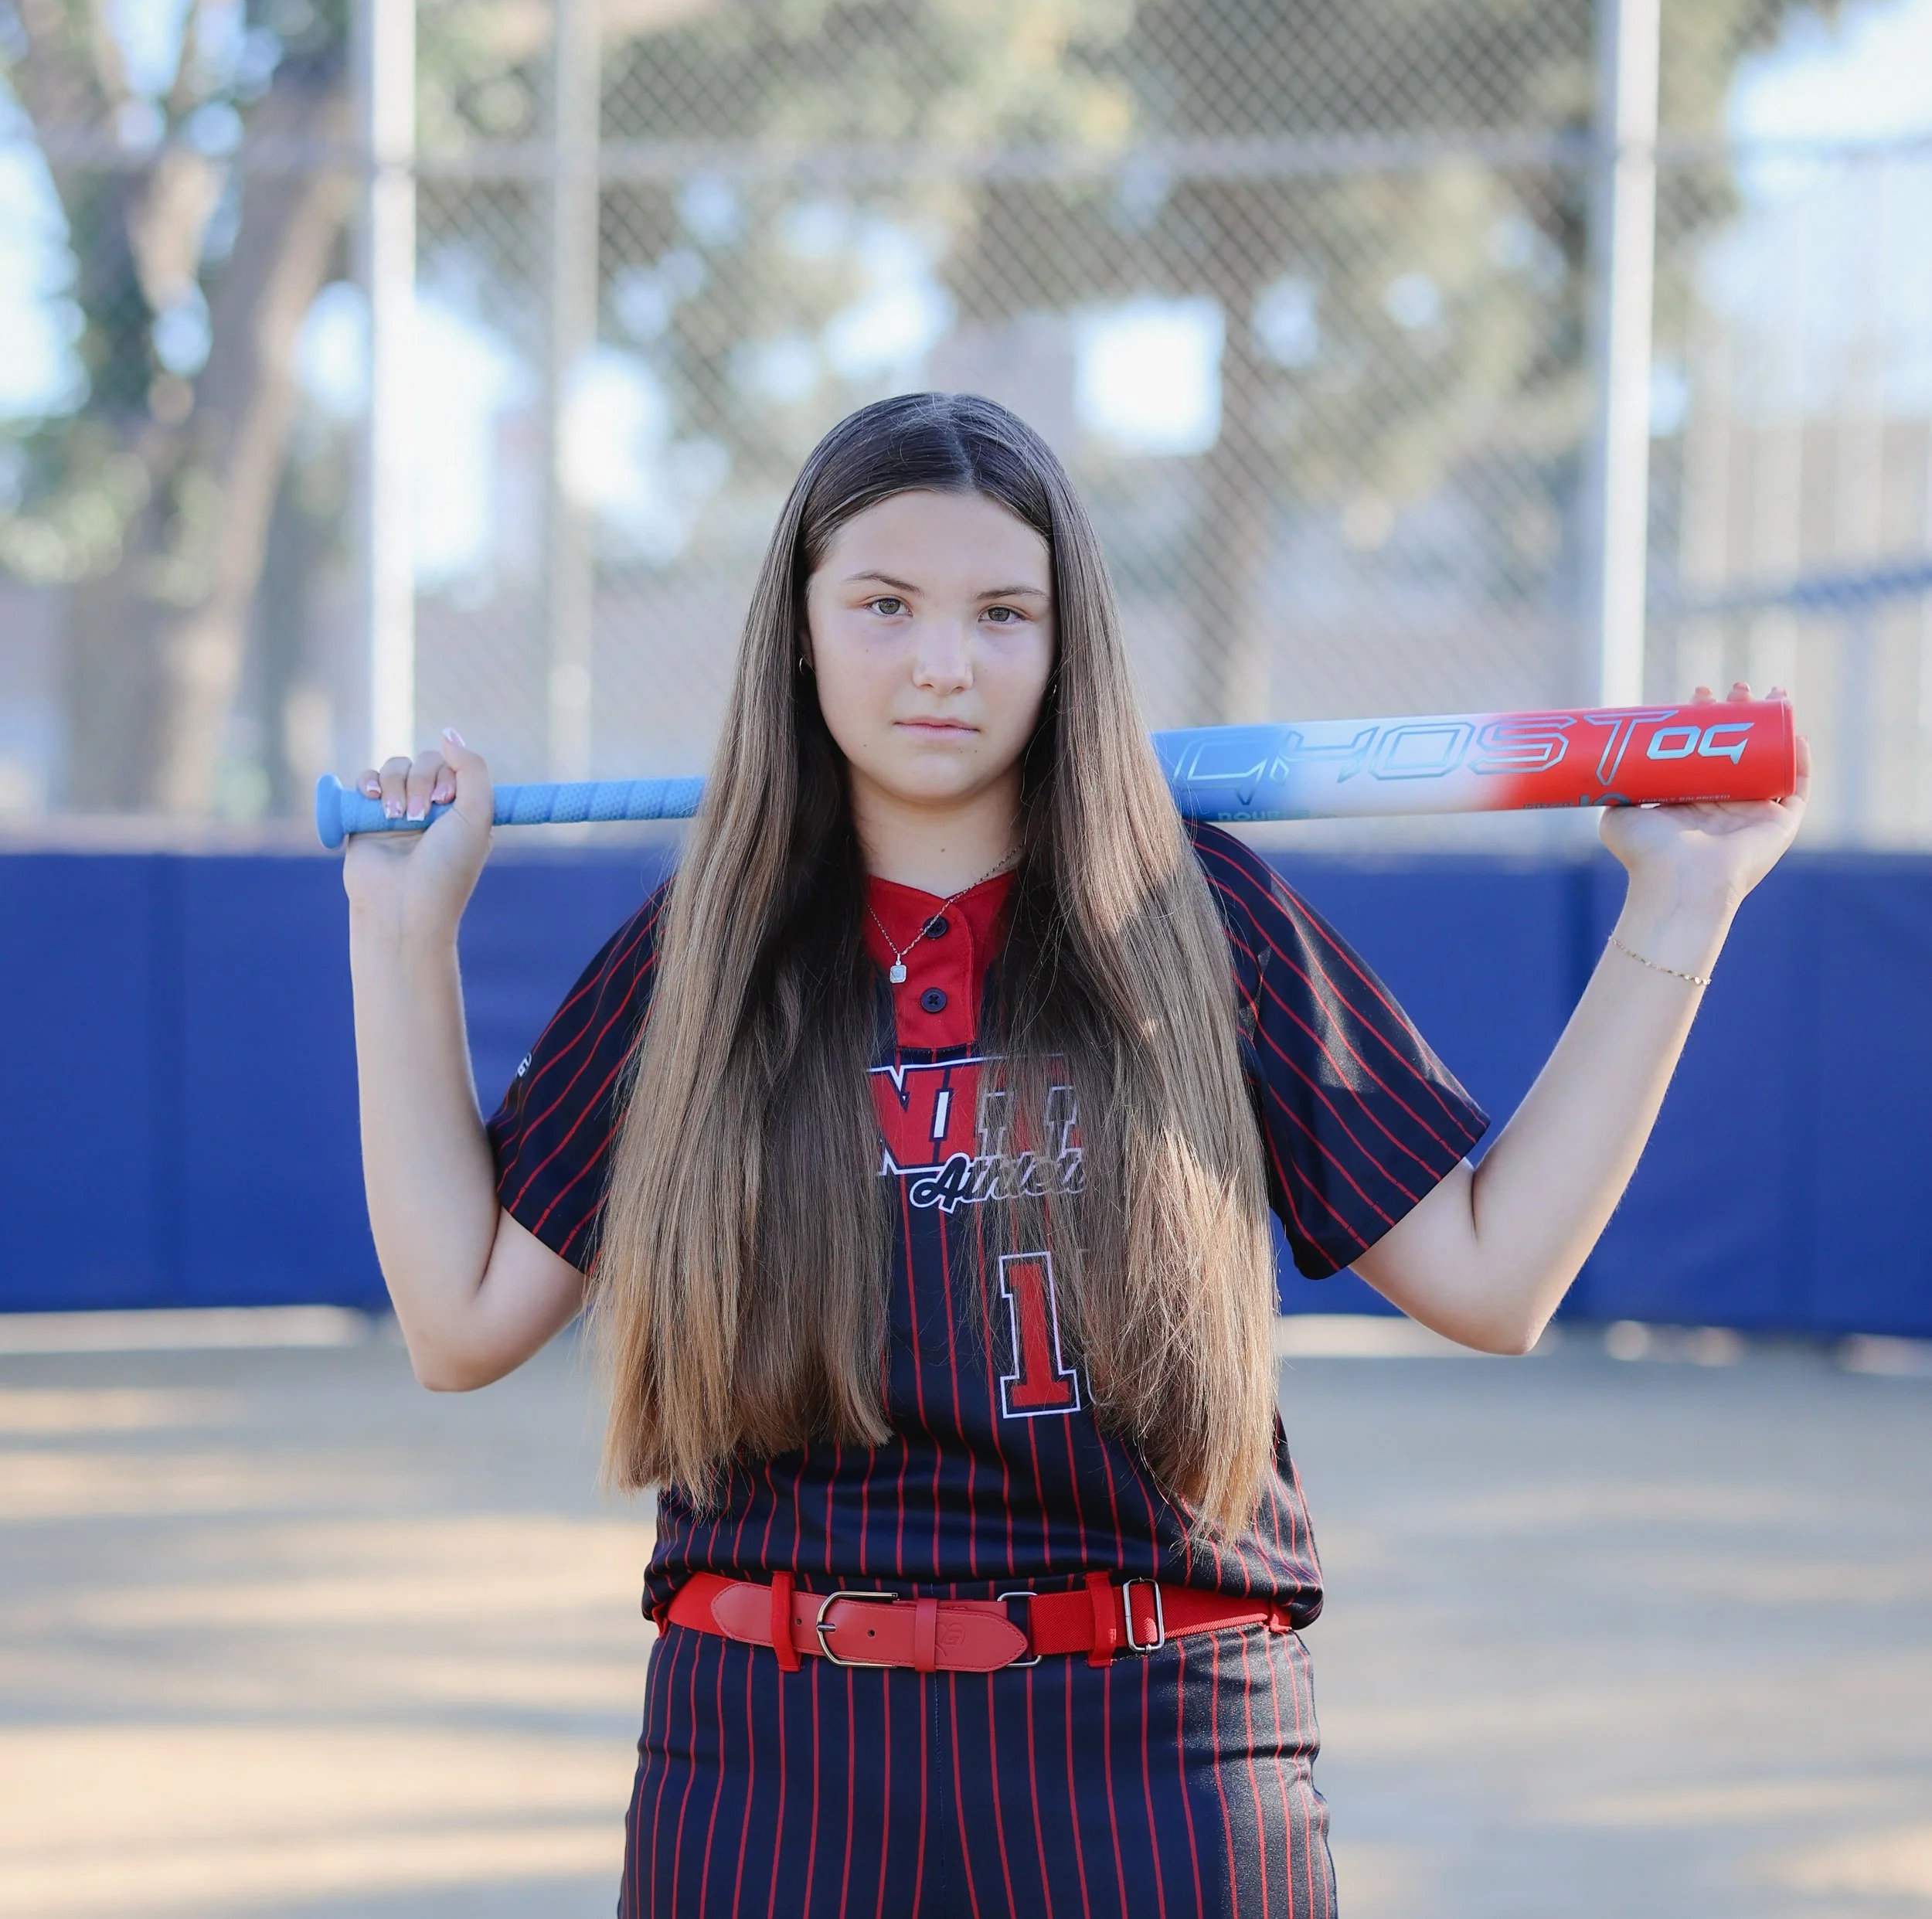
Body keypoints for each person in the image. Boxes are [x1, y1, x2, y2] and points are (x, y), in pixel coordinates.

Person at [342, 393, 1808, 1917]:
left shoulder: (1196, 919)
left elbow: (1494, 1277)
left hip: (1155, 1746)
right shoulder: (699, 953)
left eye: (1002, 612)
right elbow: (459, 1318)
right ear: (800, 631)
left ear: (1065, 644)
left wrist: (1683, 899)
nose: (942, 662)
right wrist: (398, 929)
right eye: (885, 604)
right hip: (768, 1746)